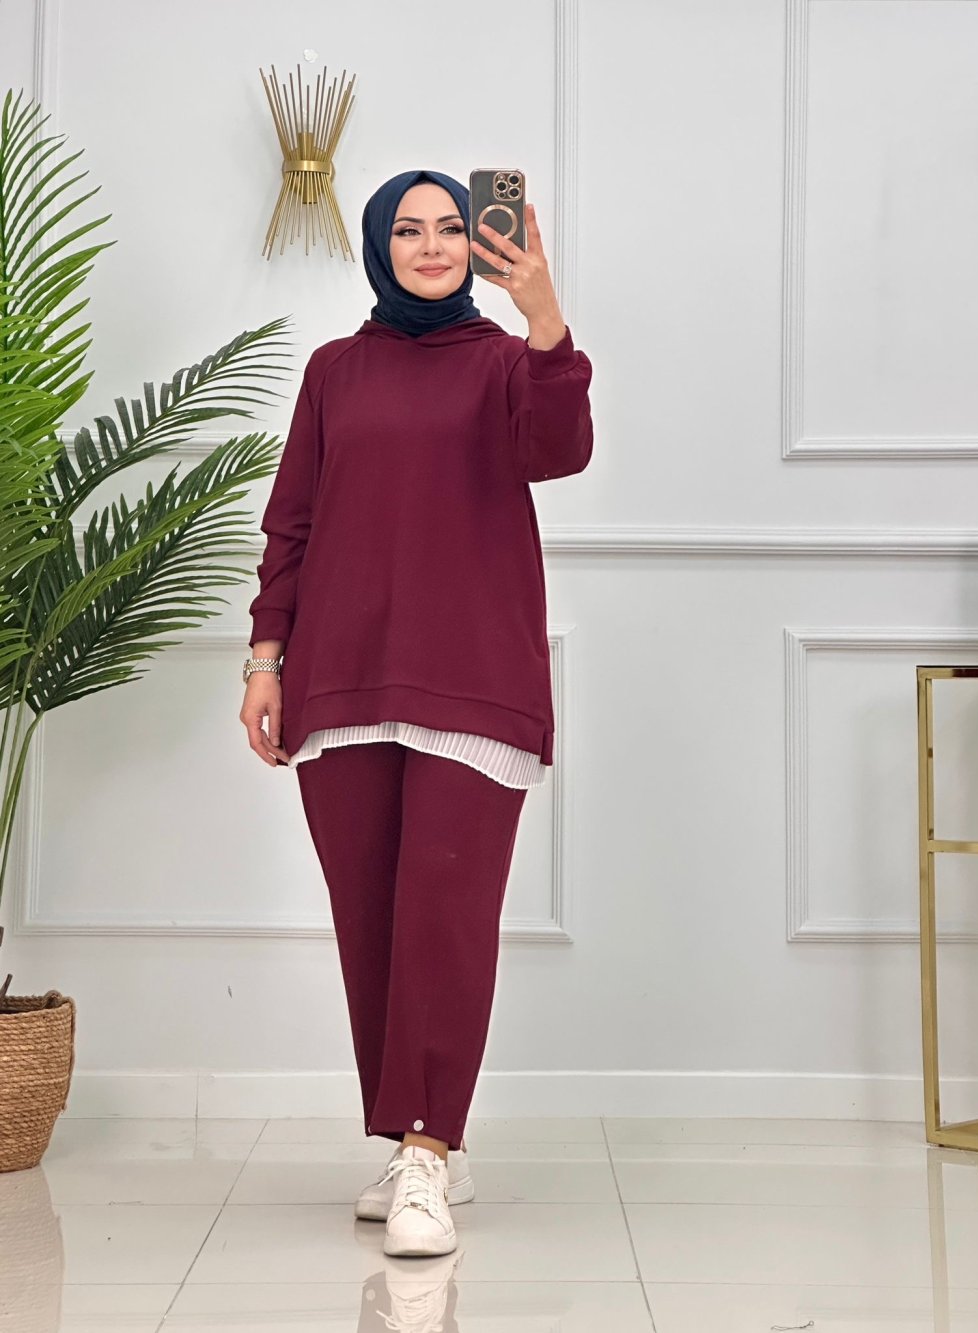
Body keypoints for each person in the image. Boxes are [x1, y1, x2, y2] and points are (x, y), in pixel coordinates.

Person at [239, 169, 594, 1258]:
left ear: (477, 244)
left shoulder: (507, 363)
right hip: (341, 676)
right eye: (408, 228)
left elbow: (558, 452)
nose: (432, 245)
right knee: (374, 921)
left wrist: (544, 318)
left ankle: (428, 1153)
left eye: (451, 227)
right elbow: (292, 523)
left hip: (475, 677)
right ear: (379, 246)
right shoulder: (334, 370)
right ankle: (416, 1138)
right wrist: (266, 657)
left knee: (445, 916)